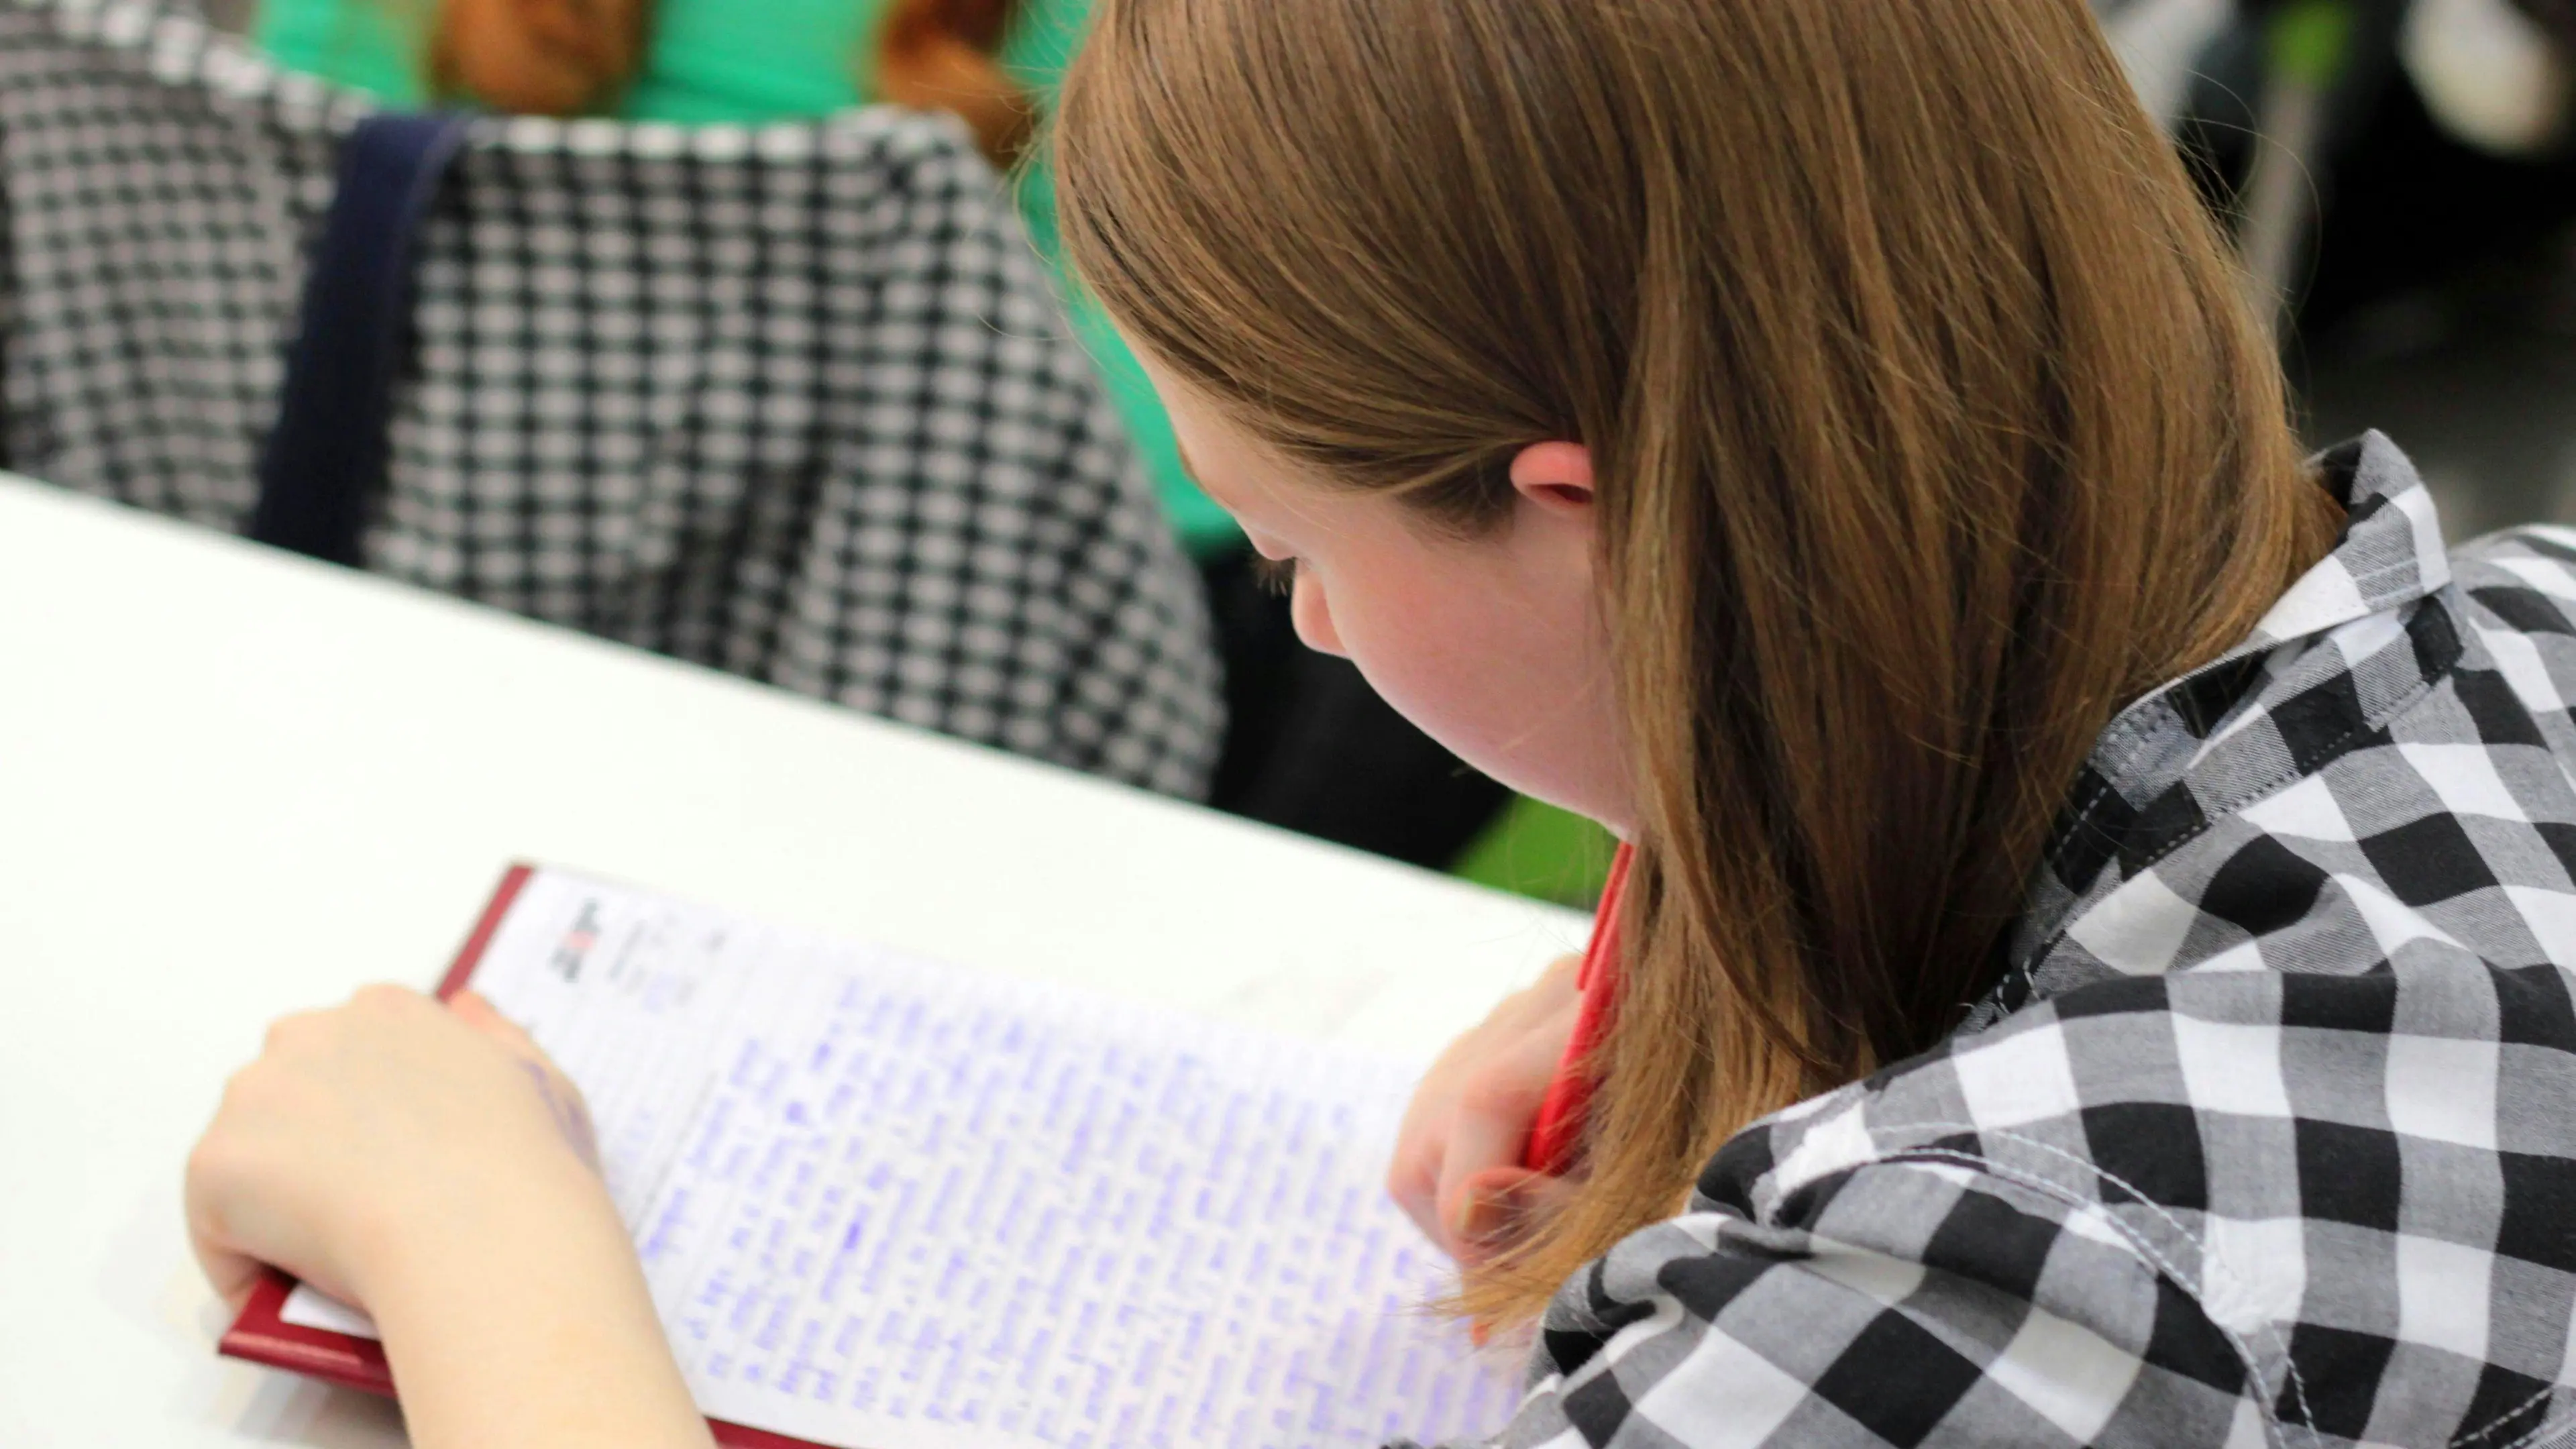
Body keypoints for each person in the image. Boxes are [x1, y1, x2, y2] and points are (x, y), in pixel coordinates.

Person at [184, 0, 2576, 1444]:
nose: (1304, 631)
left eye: (1300, 549)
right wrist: (1745, 964)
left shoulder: (1968, 1293)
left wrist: (489, 1241)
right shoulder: (2520, 646)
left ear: (1586, 514)